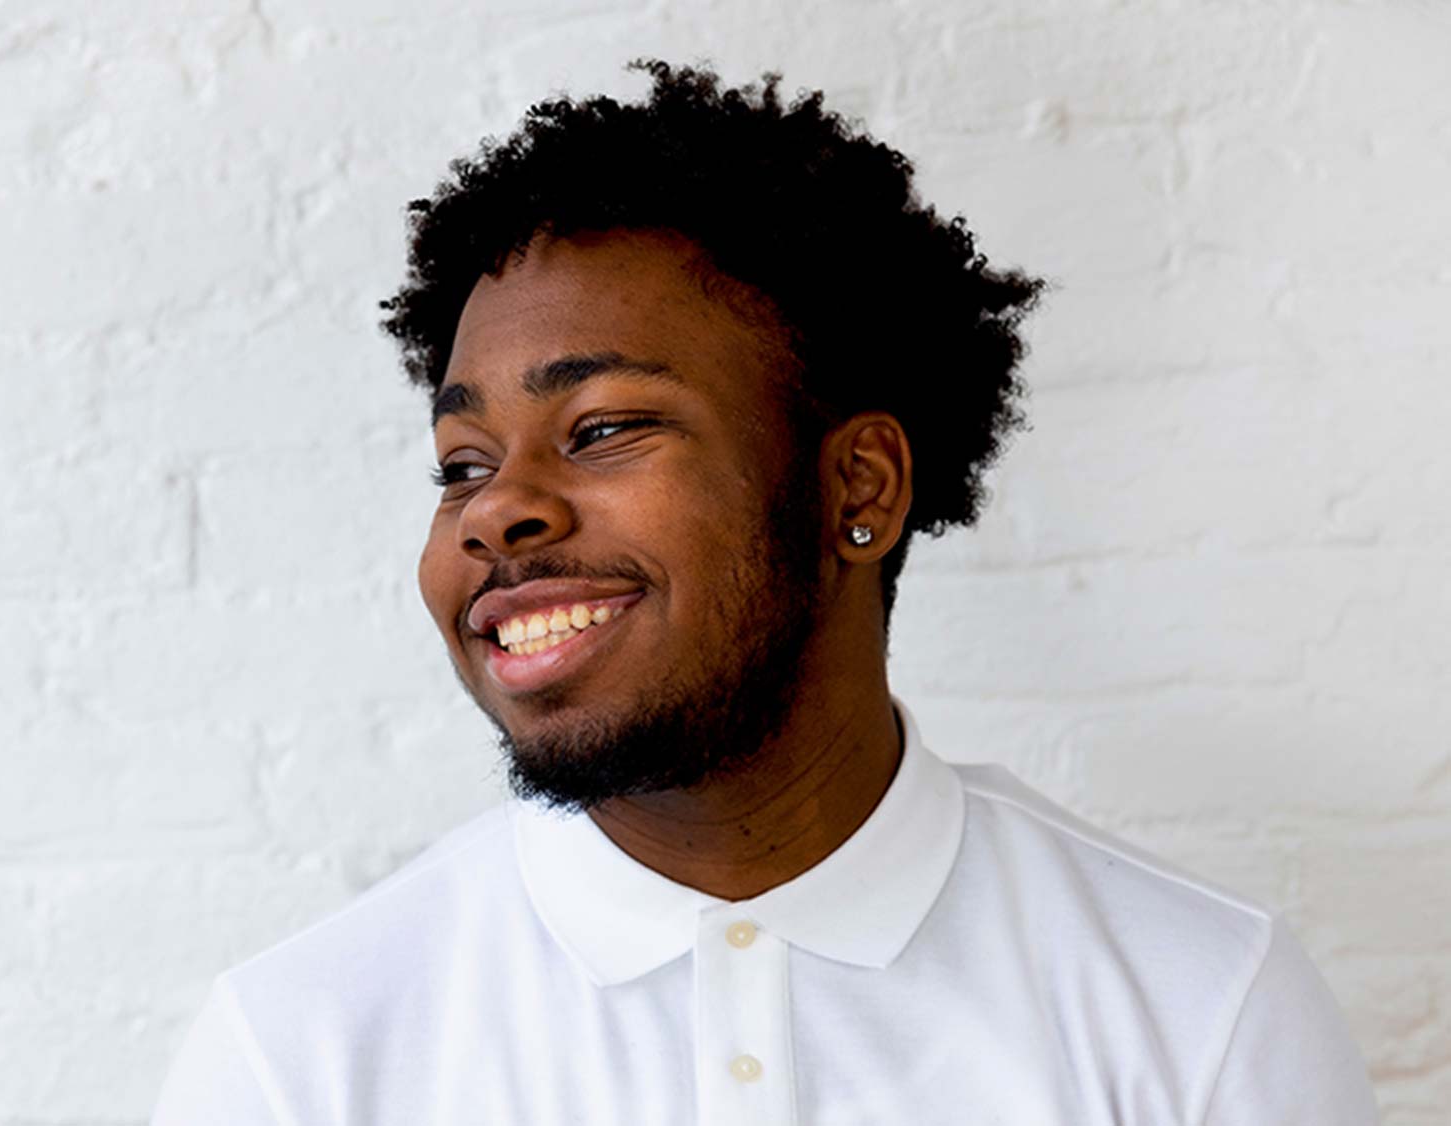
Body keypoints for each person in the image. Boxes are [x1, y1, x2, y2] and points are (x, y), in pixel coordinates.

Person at [151, 59, 1378, 1124]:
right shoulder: (301, 1050)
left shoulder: (1200, 1003)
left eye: (602, 426)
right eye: (461, 463)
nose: (493, 509)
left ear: (860, 482)